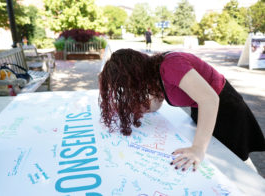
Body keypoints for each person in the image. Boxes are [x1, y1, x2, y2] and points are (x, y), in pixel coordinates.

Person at [98, 48, 265, 172]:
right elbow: (156, 104)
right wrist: (132, 108)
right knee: (218, 160)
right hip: (203, 109)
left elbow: (210, 100)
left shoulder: (170, 65)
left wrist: (198, 148)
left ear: (134, 74)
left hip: (225, 109)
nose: (130, 90)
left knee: (237, 163)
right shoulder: (153, 75)